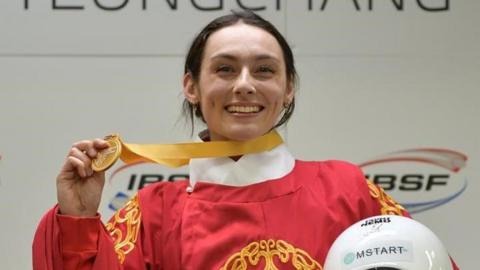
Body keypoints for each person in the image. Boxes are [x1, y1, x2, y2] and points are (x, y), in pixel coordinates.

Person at [32, 10, 459, 270]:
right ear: (191, 86)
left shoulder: (347, 190)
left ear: (289, 87)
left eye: (264, 70)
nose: (244, 85)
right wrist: (80, 219)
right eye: (224, 69)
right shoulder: (153, 213)